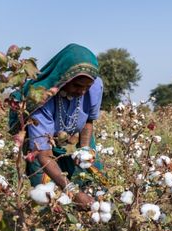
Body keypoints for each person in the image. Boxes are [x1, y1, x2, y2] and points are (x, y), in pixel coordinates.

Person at [9, 43, 104, 199]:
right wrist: (72, 192)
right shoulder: (41, 99)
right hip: (43, 148)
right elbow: (43, 154)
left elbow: (88, 119)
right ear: (64, 77)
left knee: (93, 179)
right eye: (77, 85)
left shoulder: (94, 87)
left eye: (87, 86)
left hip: (70, 140)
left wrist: (85, 148)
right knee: (45, 193)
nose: (82, 92)